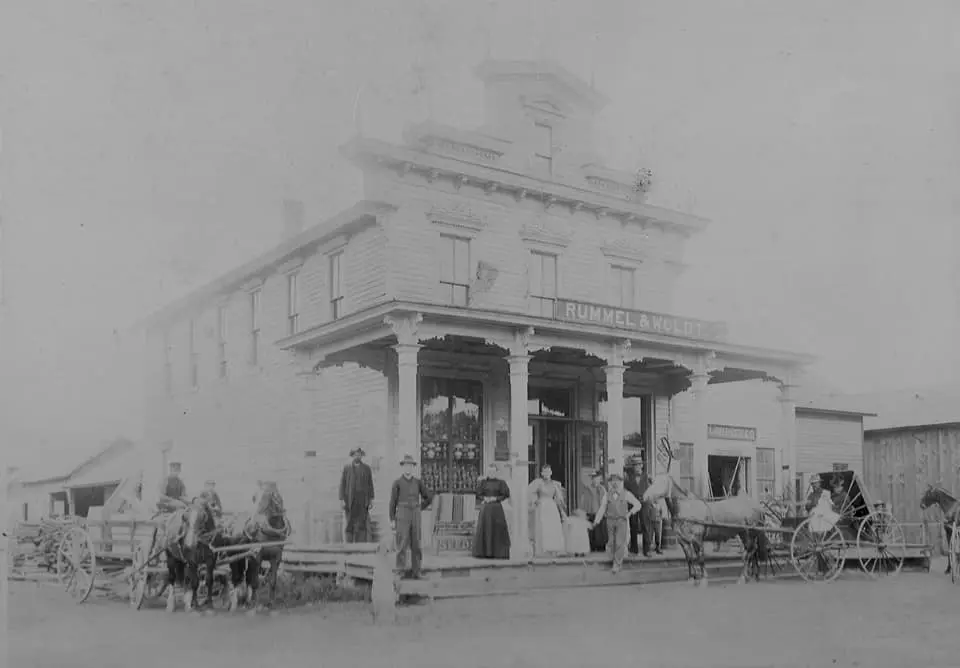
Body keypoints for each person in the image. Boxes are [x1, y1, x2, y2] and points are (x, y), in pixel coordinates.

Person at [389, 454, 433, 579]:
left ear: (413, 467)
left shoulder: (418, 482)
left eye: (410, 465)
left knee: (417, 543)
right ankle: (400, 570)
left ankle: (417, 571)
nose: (408, 468)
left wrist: (420, 507)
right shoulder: (397, 483)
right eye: (406, 465)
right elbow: (392, 502)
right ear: (402, 467)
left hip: (415, 513)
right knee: (401, 543)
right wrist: (392, 519)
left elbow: (429, 497)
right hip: (402, 513)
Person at [592, 472, 642, 574]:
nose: (615, 483)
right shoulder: (607, 495)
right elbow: (602, 509)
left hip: (621, 521)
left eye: (617, 481)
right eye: (612, 481)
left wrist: (629, 513)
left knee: (620, 542)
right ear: (610, 483)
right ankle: (614, 559)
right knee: (611, 542)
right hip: (610, 521)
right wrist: (596, 521)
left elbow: (638, 504)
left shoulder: (626, 494)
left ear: (621, 482)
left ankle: (617, 564)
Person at [472, 463, 511, 559]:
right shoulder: (483, 482)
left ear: (496, 472)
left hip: (497, 509)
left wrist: (495, 499)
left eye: (493, 471)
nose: (491, 473)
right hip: (486, 508)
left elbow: (505, 494)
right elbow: (478, 494)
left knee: (497, 529)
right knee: (485, 528)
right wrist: (484, 498)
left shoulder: (501, 483)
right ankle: (484, 552)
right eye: (490, 471)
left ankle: (499, 553)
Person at [527, 464, 566, 556]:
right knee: (543, 526)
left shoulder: (555, 484)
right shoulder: (538, 483)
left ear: (551, 472)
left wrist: (562, 509)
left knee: (552, 527)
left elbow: (559, 497)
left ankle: (553, 548)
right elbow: (530, 492)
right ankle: (542, 548)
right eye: (544, 472)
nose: (546, 473)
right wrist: (535, 500)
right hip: (542, 506)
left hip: (551, 507)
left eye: (548, 471)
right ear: (541, 473)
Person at [339, 447, 375, 543]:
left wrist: (371, 499)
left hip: (362, 500)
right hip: (350, 500)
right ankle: (349, 545)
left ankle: (360, 545)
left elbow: (370, 484)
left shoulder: (366, 469)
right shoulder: (347, 468)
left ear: (361, 456)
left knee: (361, 524)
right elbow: (342, 484)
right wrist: (342, 499)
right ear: (352, 456)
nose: (357, 456)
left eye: (359, 454)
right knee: (349, 523)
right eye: (355, 454)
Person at [625, 458, 654, 557]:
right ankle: (634, 549)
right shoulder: (629, 477)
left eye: (638, 464)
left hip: (644, 501)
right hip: (633, 502)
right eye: (635, 465)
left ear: (642, 465)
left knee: (645, 524)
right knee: (633, 524)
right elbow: (626, 490)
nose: (636, 467)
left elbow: (651, 489)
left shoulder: (647, 476)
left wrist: (650, 501)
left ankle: (647, 549)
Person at [579, 469, 608, 552]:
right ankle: (592, 547)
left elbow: (605, 502)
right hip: (590, 513)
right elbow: (583, 501)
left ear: (600, 479)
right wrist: (583, 513)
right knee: (591, 533)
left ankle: (601, 548)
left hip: (600, 514)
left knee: (601, 533)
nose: (595, 480)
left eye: (596, 478)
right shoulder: (587, 489)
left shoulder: (602, 489)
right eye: (593, 478)